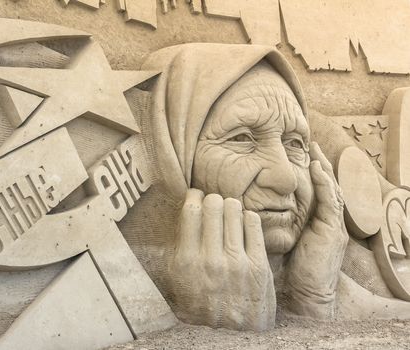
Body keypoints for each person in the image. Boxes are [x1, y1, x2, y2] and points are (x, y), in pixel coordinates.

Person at [139, 44, 348, 330]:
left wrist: (312, 300)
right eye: (241, 138)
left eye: (295, 144)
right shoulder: (115, 298)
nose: (286, 179)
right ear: (173, 153)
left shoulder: (332, 278)